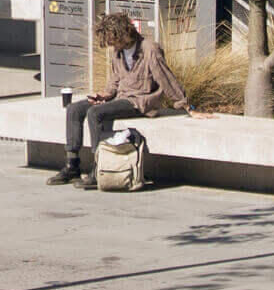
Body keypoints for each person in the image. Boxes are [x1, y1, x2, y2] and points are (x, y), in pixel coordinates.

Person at [51, 12, 188, 188]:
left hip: (139, 101)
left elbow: (166, 78)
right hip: (120, 97)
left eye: (113, 40)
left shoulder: (149, 49)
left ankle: (99, 168)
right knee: (74, 109)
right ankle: (72, 165)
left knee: (95, 114)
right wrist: (104, 95)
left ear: (124, 33)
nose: (112, 45)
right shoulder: (118, 51)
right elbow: (115, 80)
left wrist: (186, 105)